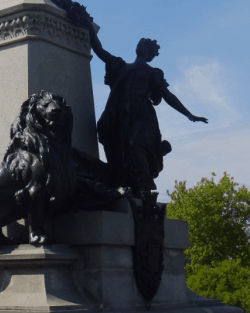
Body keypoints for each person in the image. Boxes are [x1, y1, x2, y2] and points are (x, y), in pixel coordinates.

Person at [83, 22, 208, 198]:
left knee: (136, 144)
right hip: (120, 114)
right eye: (141, 44)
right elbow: (98, 49)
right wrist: (87, 25)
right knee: (120, 152)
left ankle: (144, 187)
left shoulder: (153, 73)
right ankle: (126, 182)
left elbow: (167, 95)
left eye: (146, 46)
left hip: (142, 114)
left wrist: (189, 114)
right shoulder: (120, 66)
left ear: (150, 54)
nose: (142, 47)